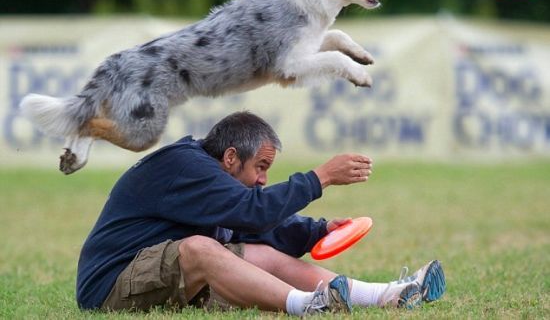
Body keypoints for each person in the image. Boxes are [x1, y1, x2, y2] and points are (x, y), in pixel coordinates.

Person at [76, 111, 445, 315]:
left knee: (261, 255)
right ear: (231, 157)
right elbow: (252, 212)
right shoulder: (183, 166)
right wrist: (321, 178)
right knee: (199, 249)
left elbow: (255, 228)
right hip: (108, 288)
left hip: (160, 277)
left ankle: (388, 294)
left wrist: (317, 231)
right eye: (262, 167)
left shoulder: (212, 178)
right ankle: (307, 307)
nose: (264, 180)